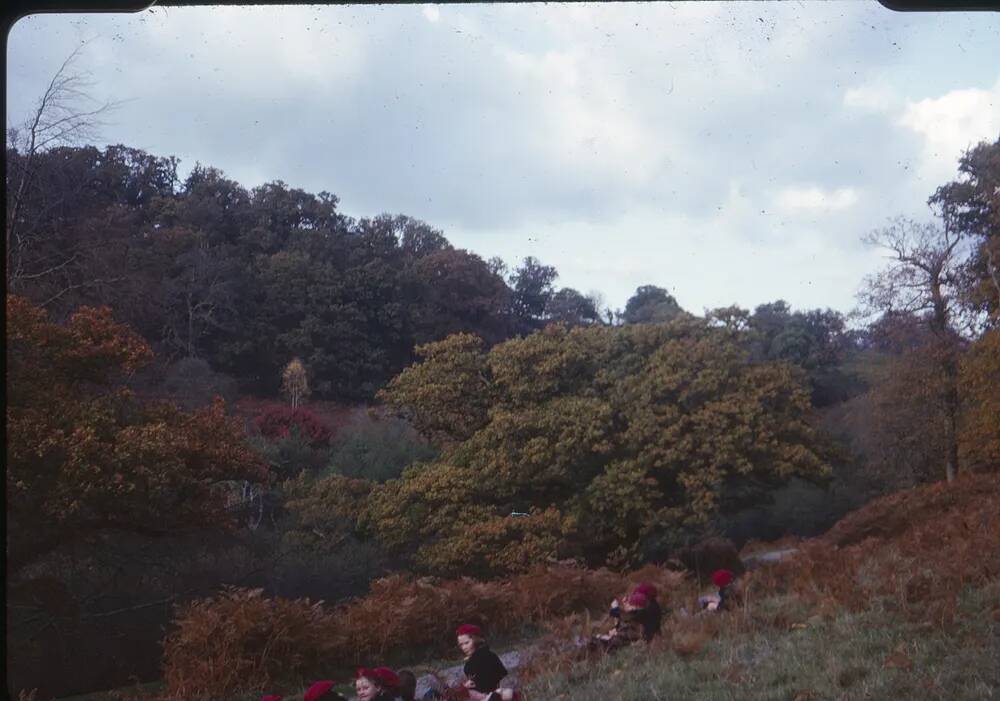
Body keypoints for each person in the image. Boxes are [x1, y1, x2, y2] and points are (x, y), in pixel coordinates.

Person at [456, 623, 509, 701]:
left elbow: (492, 678)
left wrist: (469, 685)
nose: (464, 647)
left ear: (475, 640)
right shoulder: (483, 655)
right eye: (461, 645)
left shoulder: (482, 657)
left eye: (467, 643)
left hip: (488, 692)